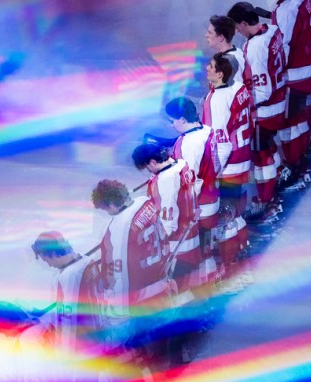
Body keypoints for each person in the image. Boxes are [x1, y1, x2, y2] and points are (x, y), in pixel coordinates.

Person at [90, 178, 171, 343]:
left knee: (148, 349)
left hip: (142, 300)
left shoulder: (119, 228)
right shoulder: (145, 203)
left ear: (112, 205)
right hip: (162, 282)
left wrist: (117, 313)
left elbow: (120, 275)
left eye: (106, 208)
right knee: (163, 338)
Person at [227, 2, 286, 215]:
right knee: (268, 148)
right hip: (280, 102)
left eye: (237, 27)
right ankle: (278, 178)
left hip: (266, 110)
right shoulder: (272, 29)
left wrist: (243, 106)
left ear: (244, 23)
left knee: (261, 156)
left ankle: (267, 200)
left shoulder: (254, 48)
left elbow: (262, 90)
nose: (237, 32)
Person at [201, 54, 253, 281]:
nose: (207, 68)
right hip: (242, 156)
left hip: (228, 165)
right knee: (233, 208)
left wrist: (211, 173)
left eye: (211, 66)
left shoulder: (217, 100)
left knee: (225, 215)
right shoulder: (239, 88)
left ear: (220, 74)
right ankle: (243, 245)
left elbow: (220, 142)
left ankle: (231, 265)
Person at [166, 96, 222, 290]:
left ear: (182, 119)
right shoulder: (207, 130)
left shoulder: (186, 144)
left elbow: (188, 182)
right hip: (213, 197)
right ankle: (213, 283)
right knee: (208, 247)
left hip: (198, 206)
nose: (171, 125)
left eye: (172, 120)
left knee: (196, 251)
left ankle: (206, 292)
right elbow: (217, 162)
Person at [273, 0, 311, 191]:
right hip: (309, 65)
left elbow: (284, 46)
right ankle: (304, 163)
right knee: (300, 118)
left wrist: (274, 72)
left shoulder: (285, 10)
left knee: (288, 124)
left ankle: (295, 170)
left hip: (295, 74)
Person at [204, 15, 250, 88]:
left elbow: (231, 94)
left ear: (220, 37)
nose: (206, 35)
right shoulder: (236, 52)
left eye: (210, 32)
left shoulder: (229, 61)